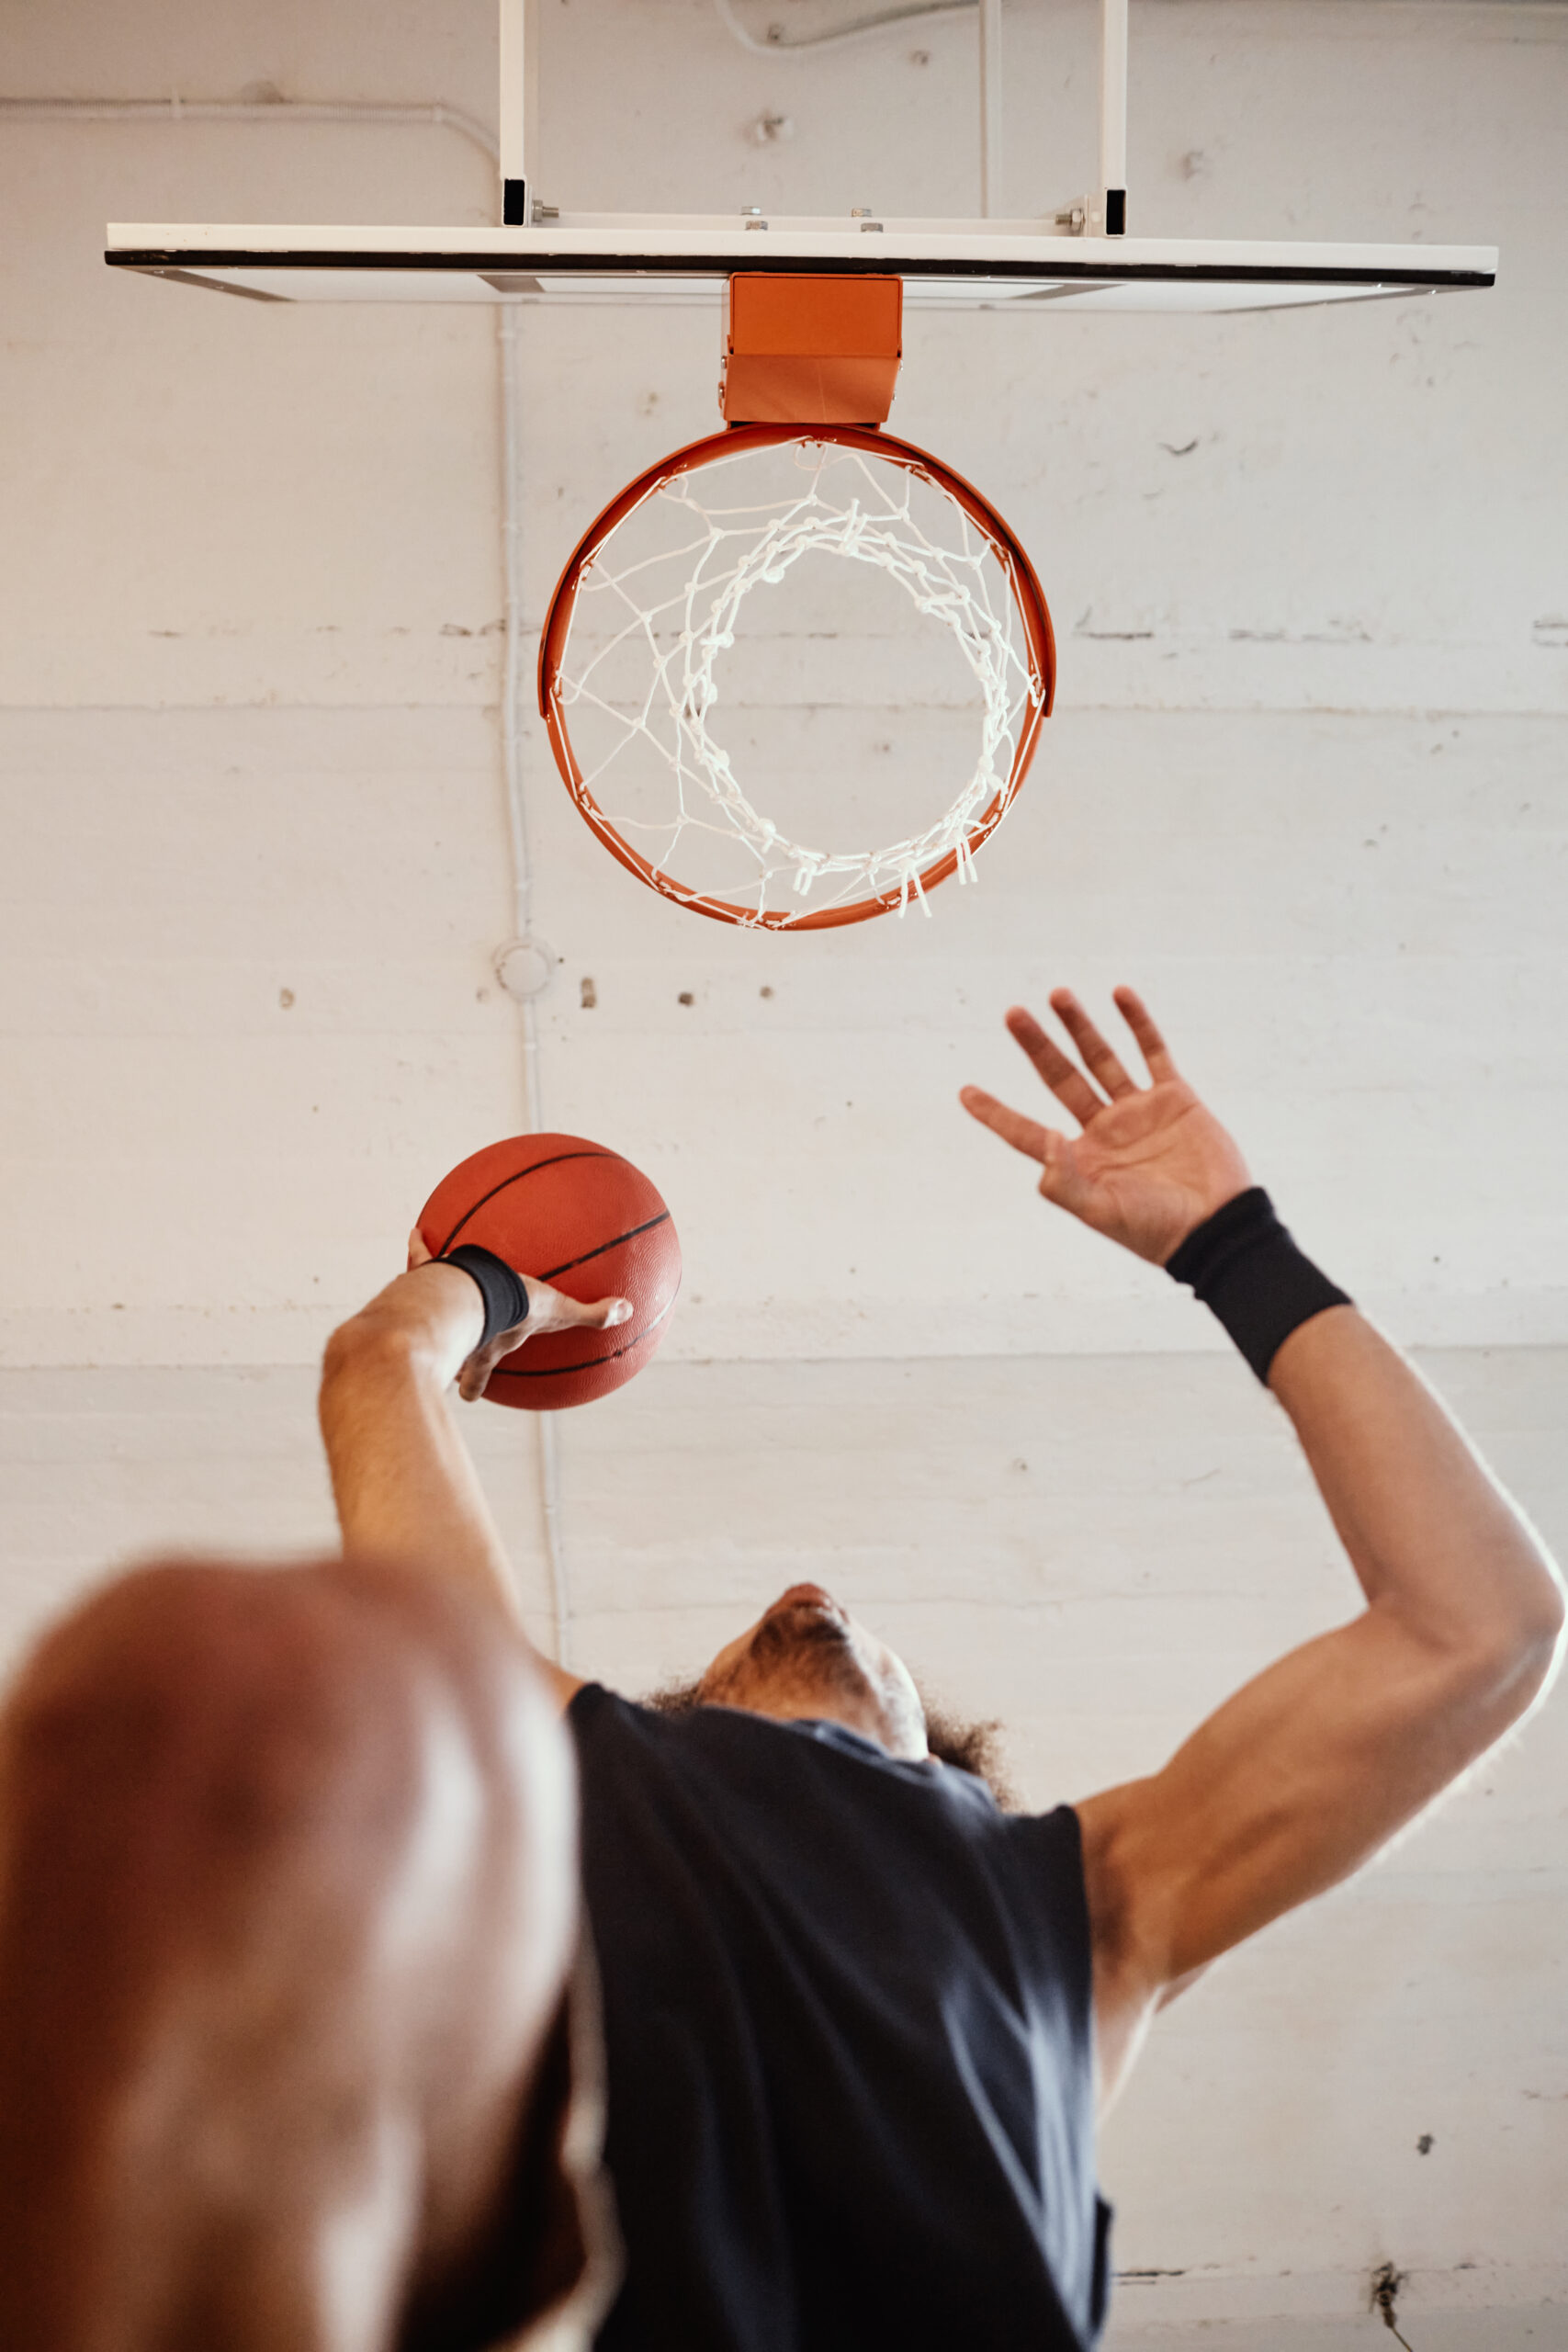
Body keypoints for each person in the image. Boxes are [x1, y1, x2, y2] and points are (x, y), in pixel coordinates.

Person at [0, 988, 1560, 2352]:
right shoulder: (560, 1775)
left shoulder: (1086, 1910)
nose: (805, 1590)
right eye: (766, 1625)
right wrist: (517, 1289)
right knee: (184, 1697)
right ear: (690, 1724)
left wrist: (1237, 1247)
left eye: (812, 1616)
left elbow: (1483, 1624)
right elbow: (377, 1366)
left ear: (948, 1762)